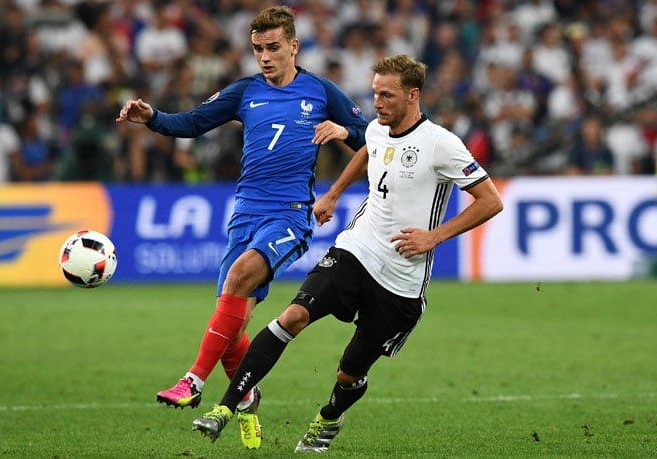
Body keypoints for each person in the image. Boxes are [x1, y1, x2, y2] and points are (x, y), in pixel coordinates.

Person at [191, 54, 504, 452]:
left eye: (387, 95)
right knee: (292, 315)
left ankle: (329, 417)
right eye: (375, 93)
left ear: (413, 95)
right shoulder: (376, 129)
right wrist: (334, 194)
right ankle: (226, 407)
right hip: (358, 248)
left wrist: (434, 237)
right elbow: (367, 152)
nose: (377, 103)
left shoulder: (441, 144)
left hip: (401, 279)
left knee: (349, 372)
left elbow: (490, 200)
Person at [115, 6, 367, 450]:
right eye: (257, 49)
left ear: (293, 46)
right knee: (232, 322)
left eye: (273, 48)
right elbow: (191, 123)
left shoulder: (320, 90)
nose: (265, 57)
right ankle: (248, 396)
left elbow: (371, 137)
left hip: (289, 214)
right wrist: (152, 116)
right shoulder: (245, 91)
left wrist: (342, 129)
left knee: (237, 279)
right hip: (244, 213)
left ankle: (193, 380)